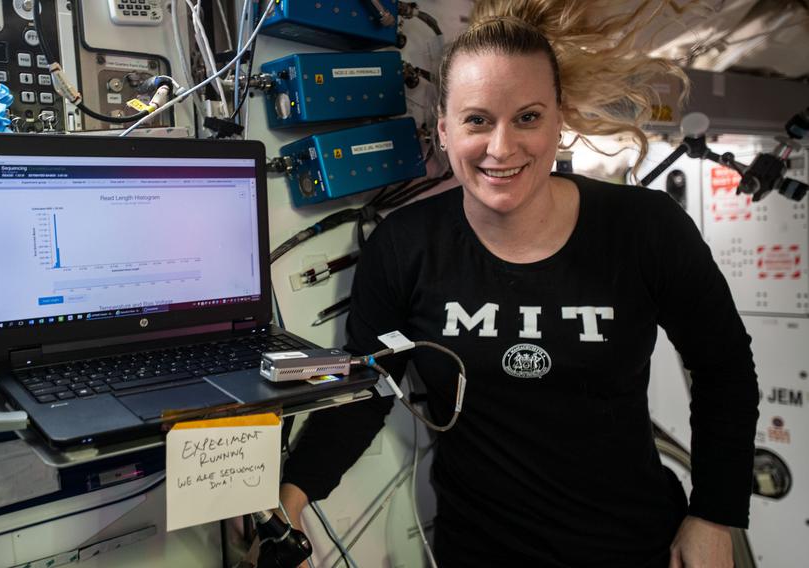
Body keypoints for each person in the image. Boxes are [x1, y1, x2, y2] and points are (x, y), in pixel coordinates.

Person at [272, 2, 760, 567]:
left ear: (559, 119)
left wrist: (715, 515)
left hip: (633, 547)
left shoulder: (645, 228)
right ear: (445, 129)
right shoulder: (406, 247)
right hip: (479, 552)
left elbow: (724, 369)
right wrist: (293, 496)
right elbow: (369, 386)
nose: (502, 148)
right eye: (478, 120)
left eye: (527, 117)